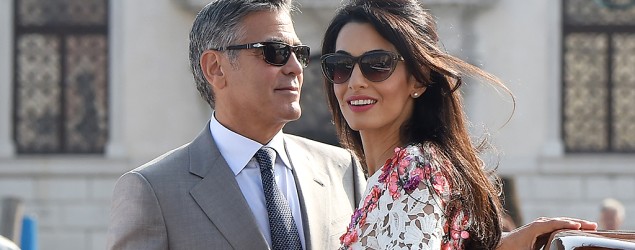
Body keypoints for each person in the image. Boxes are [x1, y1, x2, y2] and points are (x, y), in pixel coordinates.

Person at [319, 0, 597, 249]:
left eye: (377, 64)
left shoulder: (413, 171)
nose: (355, 81)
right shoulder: (403, 171)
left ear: (418, 78)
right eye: (341, 65)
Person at [107, 0, 366, 249]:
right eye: (274, 52)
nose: (295, 68)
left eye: (299, 53)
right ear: (215, 67)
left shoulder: (342, 169)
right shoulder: (154, 191)